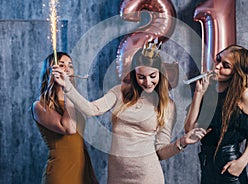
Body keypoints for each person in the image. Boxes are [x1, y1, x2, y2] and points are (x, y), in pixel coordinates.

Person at [52, 40, 209, 184]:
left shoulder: (167, 105)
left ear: (160, 73)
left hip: (148, 175)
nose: (147, 82)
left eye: (152, 76)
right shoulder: (119, 92)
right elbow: (92, 109)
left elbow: (161, 151)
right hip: (117, 175)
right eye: (141, 77)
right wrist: (67, 87)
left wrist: (181, 143)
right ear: (134, 74)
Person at [185, 45, 248, 184]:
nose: (217, 67)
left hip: (229, 166)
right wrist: (198, 94)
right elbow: (189, 130)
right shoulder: (208, 90)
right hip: (207, 166)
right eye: (218, 60)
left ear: (236, 72)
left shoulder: (244, 95)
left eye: (225, 65)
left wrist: (241, 162)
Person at [32, 52, 99, 184]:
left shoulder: (75, 102)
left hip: (82, 169)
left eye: (70, 65)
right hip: (61, 172)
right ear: (50, 70)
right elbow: (69, 128)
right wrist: (67, 89)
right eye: (61, 65)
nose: (67, 69)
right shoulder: (39, 106)